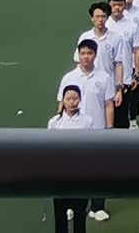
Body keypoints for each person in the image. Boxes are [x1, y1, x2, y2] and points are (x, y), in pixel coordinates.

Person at [47, 83, 101, 232]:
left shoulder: (87, 121)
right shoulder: (54, 123)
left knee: (79, 216)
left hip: (80, 174)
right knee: (60, 217)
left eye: (75, 98)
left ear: (80, 100)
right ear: (63, 100)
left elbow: (89, 148)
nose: (72, 102)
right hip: (60, 175)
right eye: (69, 98)